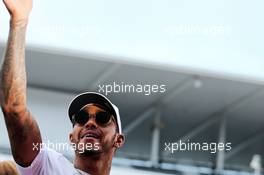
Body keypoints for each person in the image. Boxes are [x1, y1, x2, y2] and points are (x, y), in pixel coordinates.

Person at [0, 0, 125, 174]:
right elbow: (14, 109)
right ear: (71, 138)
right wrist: (19, 22)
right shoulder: (49, 167)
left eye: (103, 118)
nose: (90, 122)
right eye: (81, 118)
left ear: (118, 140)